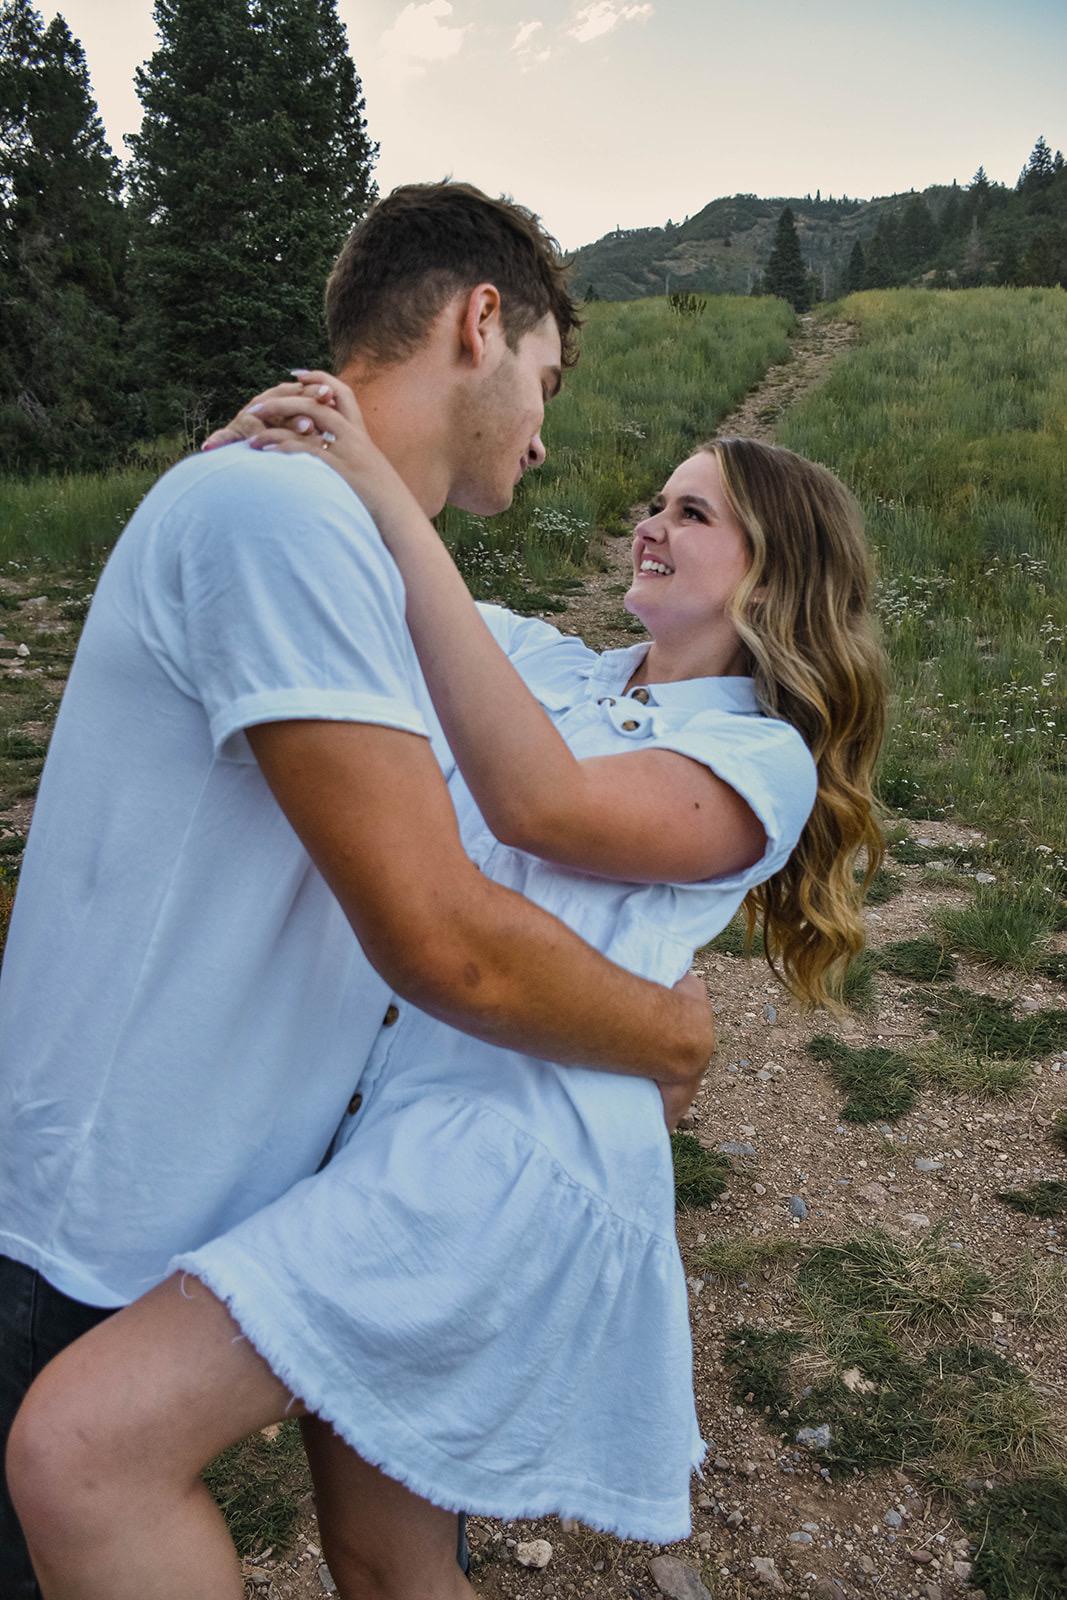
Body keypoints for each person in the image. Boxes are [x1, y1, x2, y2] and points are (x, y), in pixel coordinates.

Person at [8, 378, 887, 1599]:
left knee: (82, 1450)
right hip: (378, 1122)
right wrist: (289, 452)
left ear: (773, 571)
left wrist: (376, 486)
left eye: (693, 514)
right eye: (655, 501)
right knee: (390, 1564)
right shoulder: (549, 663)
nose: (650, 523)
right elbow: (349, 590)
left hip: (495, 1156)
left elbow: (541, 805)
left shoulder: (755, 756)